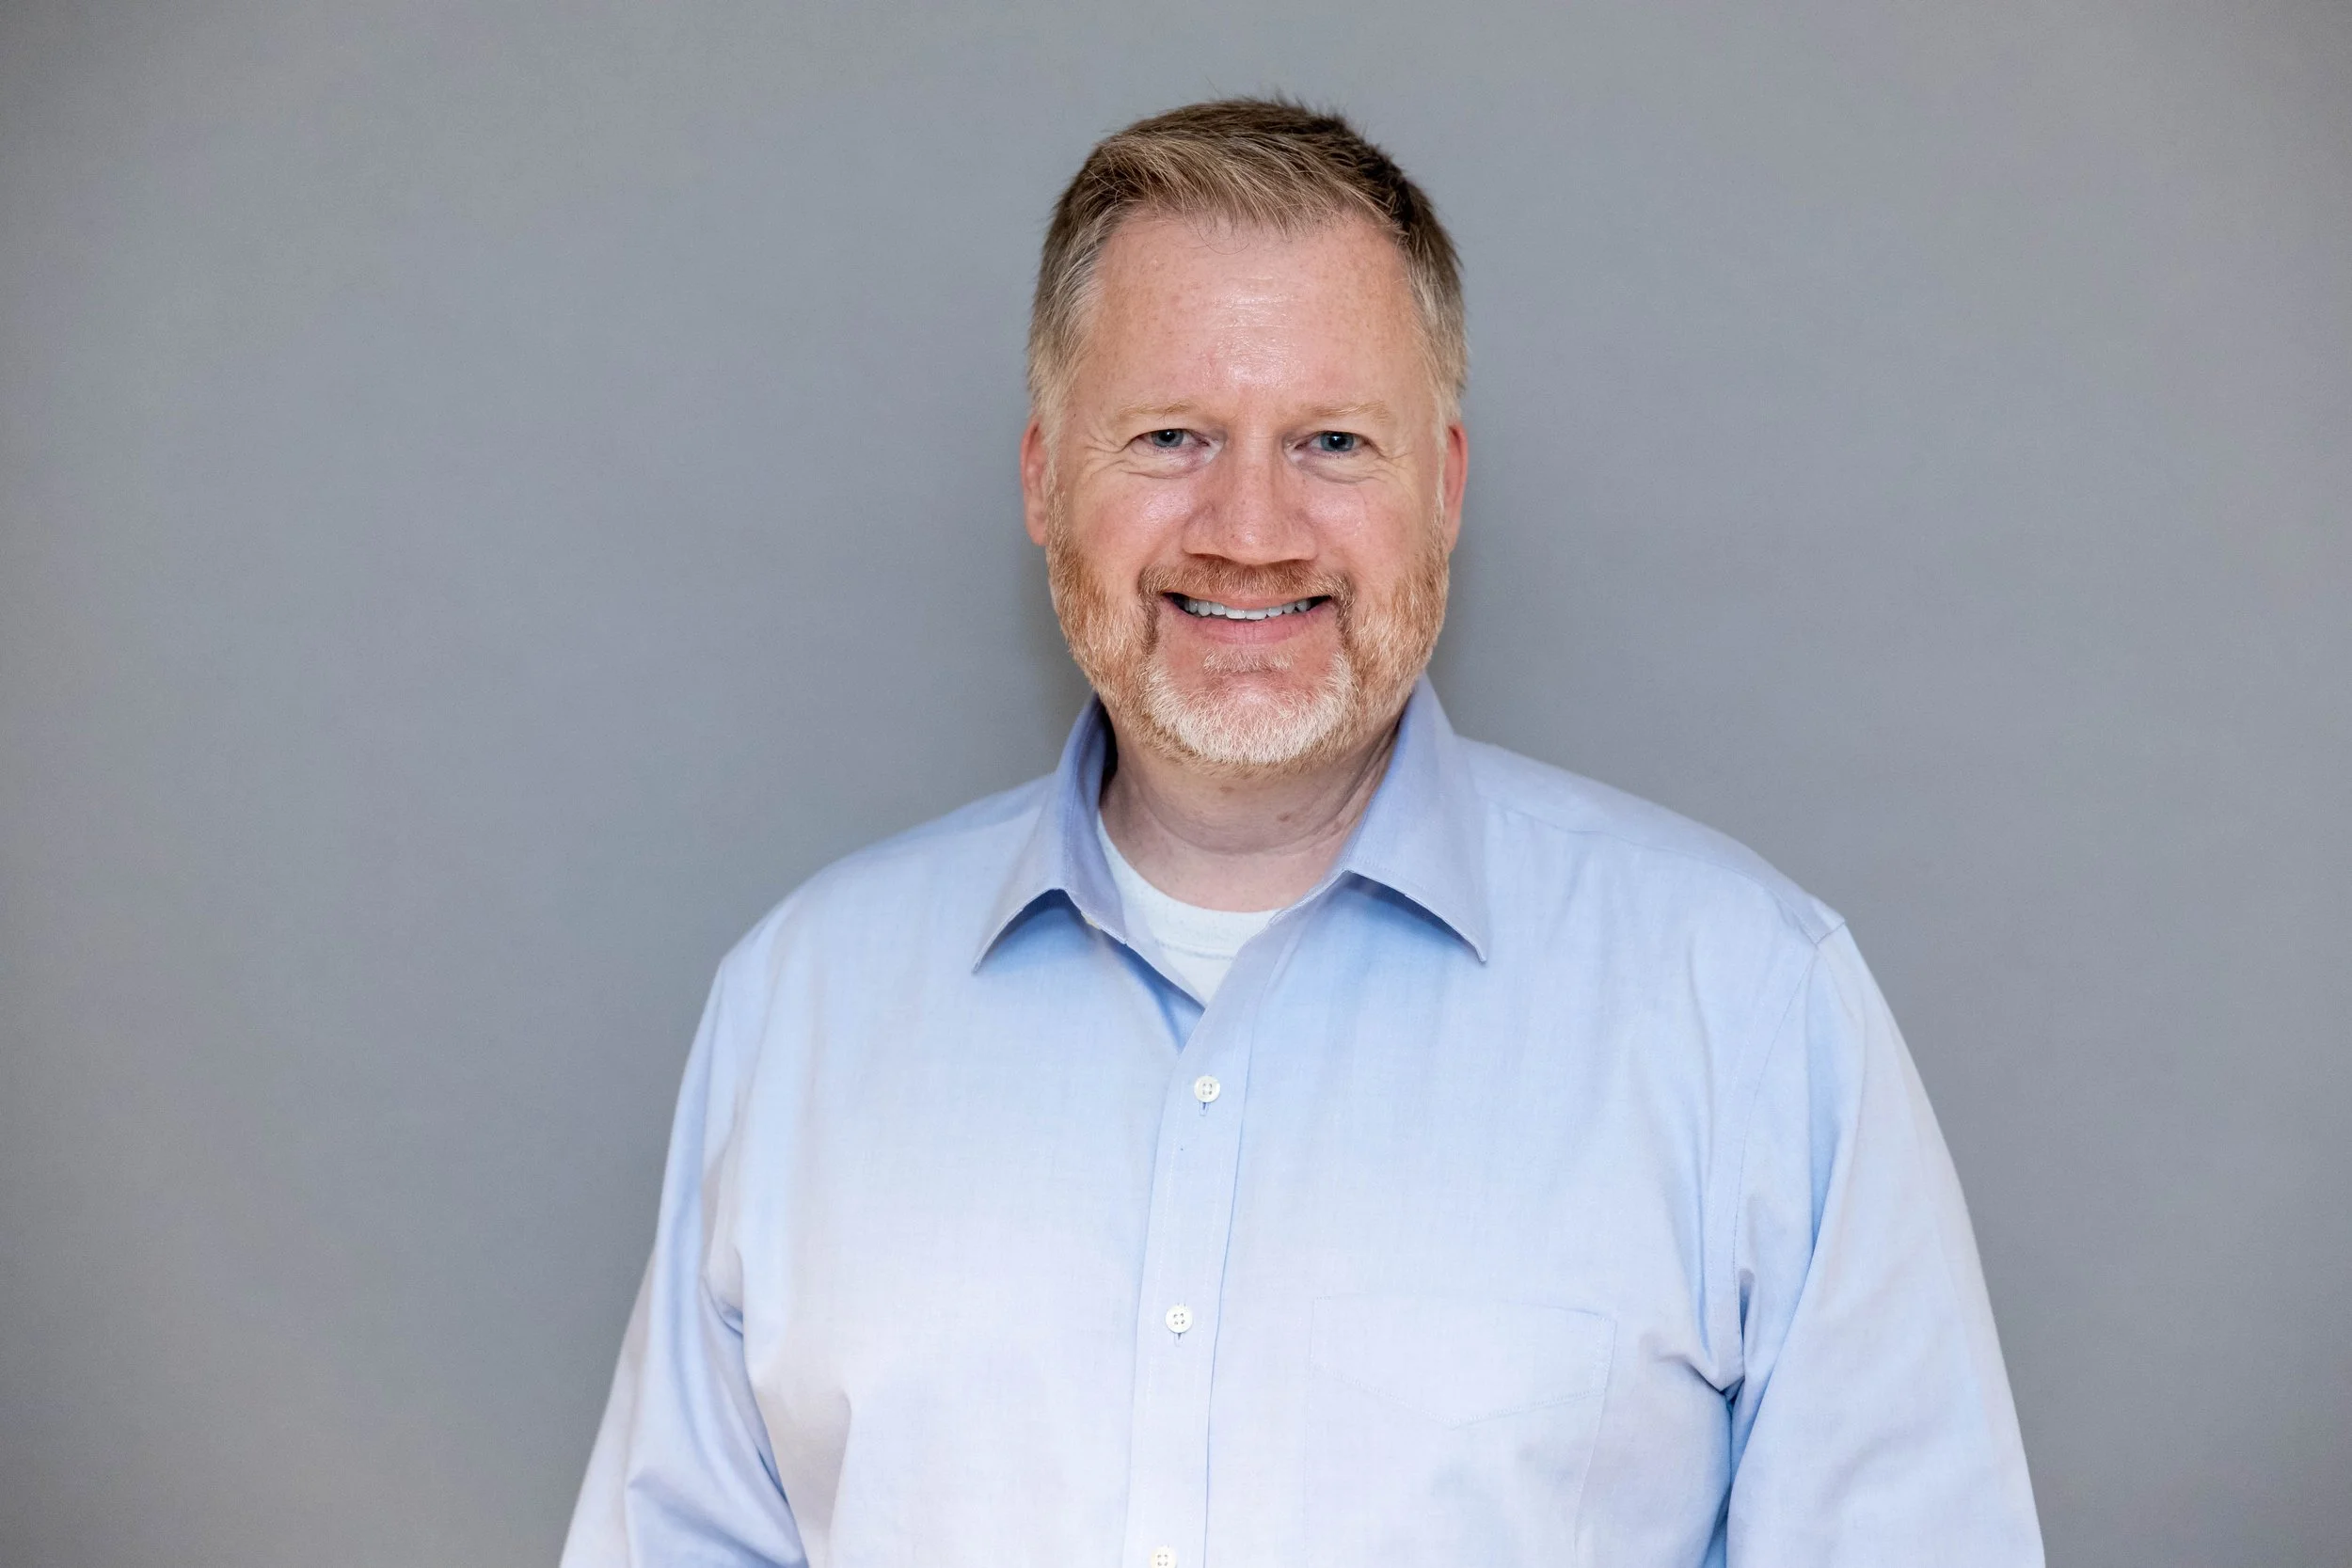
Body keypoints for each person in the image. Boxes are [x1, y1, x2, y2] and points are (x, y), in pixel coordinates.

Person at [561, 98, 2043, 1567]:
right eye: (1170, 436)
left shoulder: (1752, 1010)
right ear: (1042, 479)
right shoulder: (799, 1012)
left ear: (1444, 487)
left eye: (1332, 441)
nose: (1251, 530)